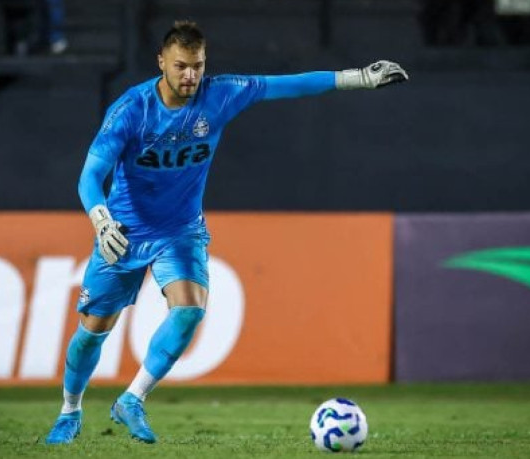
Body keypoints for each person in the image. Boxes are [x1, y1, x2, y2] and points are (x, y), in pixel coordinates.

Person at [44, 20, 408, 445]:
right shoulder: (131, 110)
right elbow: (90, 177)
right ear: (161, 62)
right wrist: (101, 219)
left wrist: (358, 78)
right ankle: (70, 410)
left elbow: (285, 86)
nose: (190, 76)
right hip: (123, 231)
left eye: (197, 65)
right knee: (91, 332)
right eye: (180, 66)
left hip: (180, 231)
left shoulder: (218, 94)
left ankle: (132, 399)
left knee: (190, 308)